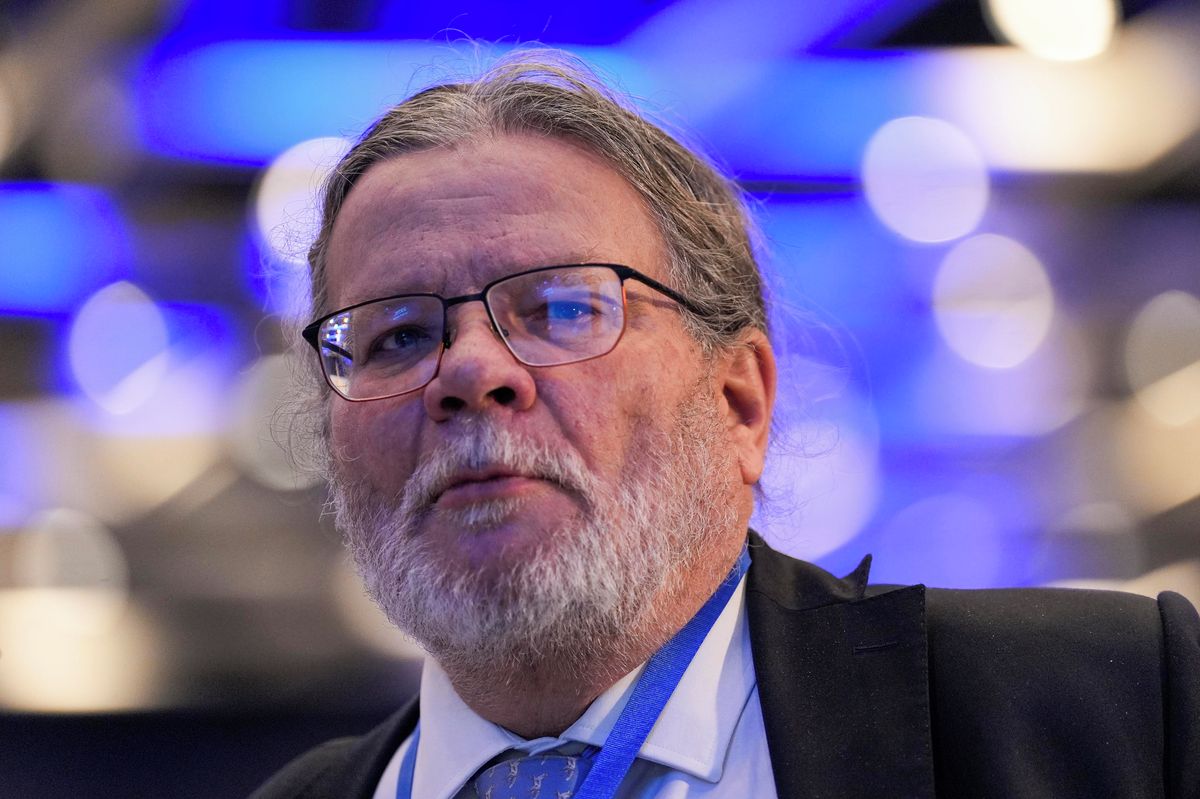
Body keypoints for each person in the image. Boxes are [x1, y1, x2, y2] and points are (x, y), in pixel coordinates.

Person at [252, 51, 1199, 799]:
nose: (468, 370)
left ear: (740, 401)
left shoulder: (1109, 706)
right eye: (398, 336)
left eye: (562, 308)